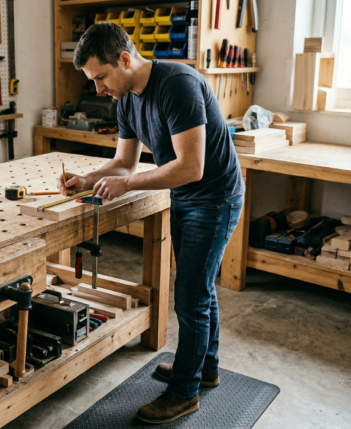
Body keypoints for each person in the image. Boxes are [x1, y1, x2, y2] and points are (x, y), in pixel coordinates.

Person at [58, 23, 245, 424]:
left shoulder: (178, 84)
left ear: (125, 59)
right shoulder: (126, 98)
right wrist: (87, 179)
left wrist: (126, 185)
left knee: (190, 295)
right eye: (93, 81)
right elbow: (124, 162)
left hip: (215, 199)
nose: (98, 90)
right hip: (187, 196)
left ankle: (183, 393)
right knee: (199, 286)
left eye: (101, 77)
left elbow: (191, 167)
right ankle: (203, 368)